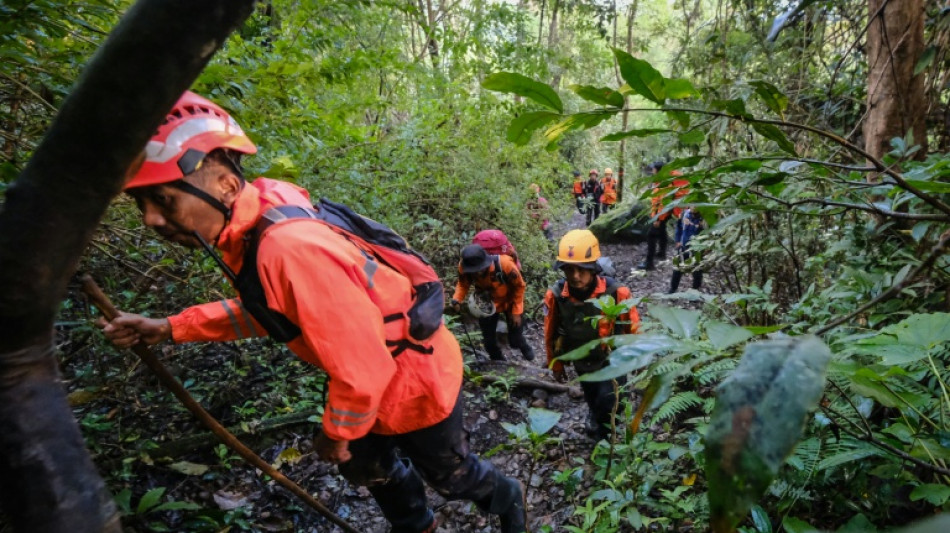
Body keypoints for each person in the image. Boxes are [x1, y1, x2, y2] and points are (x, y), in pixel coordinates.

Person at [96, 91, 527, 533]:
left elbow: (362, 370)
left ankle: (507, 498)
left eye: (163, 200)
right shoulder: (257, 221)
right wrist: (170, 327)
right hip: (374, 383)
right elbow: (274, 311)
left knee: (451, 476)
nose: (150, 219)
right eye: (141, 203)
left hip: (414, 381)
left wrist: (336, 432)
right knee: (366, 467)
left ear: (225, 184)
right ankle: (416, 525)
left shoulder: (288, 248)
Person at [543, 230, 640, 441]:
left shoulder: (617, 293)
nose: (575, 276)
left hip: (612, 359)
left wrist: (639, 358)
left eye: (582, 269)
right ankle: (595, 415)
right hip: (582, 359)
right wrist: (555, 363)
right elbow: (550, 330)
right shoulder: (557, 296)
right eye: (569, 269)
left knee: (609, 401)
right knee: (591, 394)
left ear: (593, 268)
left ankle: (605, 441)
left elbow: (633, 328)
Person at [450, 244, 535, 362]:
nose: (475, 273)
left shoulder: (505, 265)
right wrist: (457, 299)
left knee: (515, 340)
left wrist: (516, 312)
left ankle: (524, 346)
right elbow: (463, 284)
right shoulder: (465, 267)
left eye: (478, 270)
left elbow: (519, 286)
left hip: (510, 301)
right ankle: (499, 362)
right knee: (488, 342)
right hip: (486, 303)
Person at [638, 161, 689, 271]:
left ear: (658, 170)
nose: (652, 171)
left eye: (653, 169)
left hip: (664, 211)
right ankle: (662, 253)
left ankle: (649, 263)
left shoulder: (664, 183)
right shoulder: (667, 178)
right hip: (672, 208)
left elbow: (662, 202)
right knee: (662, 230)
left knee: (651, 235)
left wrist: (658, 218)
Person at [670, 206, 705, 293]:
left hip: (697, 248)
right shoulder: (684, 214)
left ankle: (695, 291)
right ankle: (672, 289)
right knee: (677, 268)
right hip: (683, 246)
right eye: (693, 204)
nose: (694, 207)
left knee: (697, 270)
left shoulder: (704, 218)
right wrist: (678, 241)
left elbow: (709, 232)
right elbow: (679, 227)